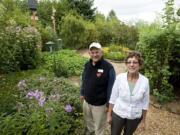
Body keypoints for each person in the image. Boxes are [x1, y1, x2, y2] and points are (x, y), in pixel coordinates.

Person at [107, 51, 150, 135]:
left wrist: (143, 121)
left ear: (140, 64)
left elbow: (145, 103)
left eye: (135, 62)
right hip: (118, 112)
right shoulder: (119, 78)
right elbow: (113, 97)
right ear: (126, 64)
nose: (131, 65)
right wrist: (109, 114)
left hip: (134, 115)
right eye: (129, 62)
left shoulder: (145, 81)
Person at [80, 42, 115, 135]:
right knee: (89, 121)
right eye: (92, 52)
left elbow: (111, 88)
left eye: (97, 52)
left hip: (100, 105)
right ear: (89, 53)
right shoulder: (87, 65)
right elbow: (84, 79)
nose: (95, 54)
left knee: (99, 127)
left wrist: (109, 104)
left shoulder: (108, 67)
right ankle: (90, 131)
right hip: (87, 102)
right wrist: (82, 93)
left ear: (101, 52)